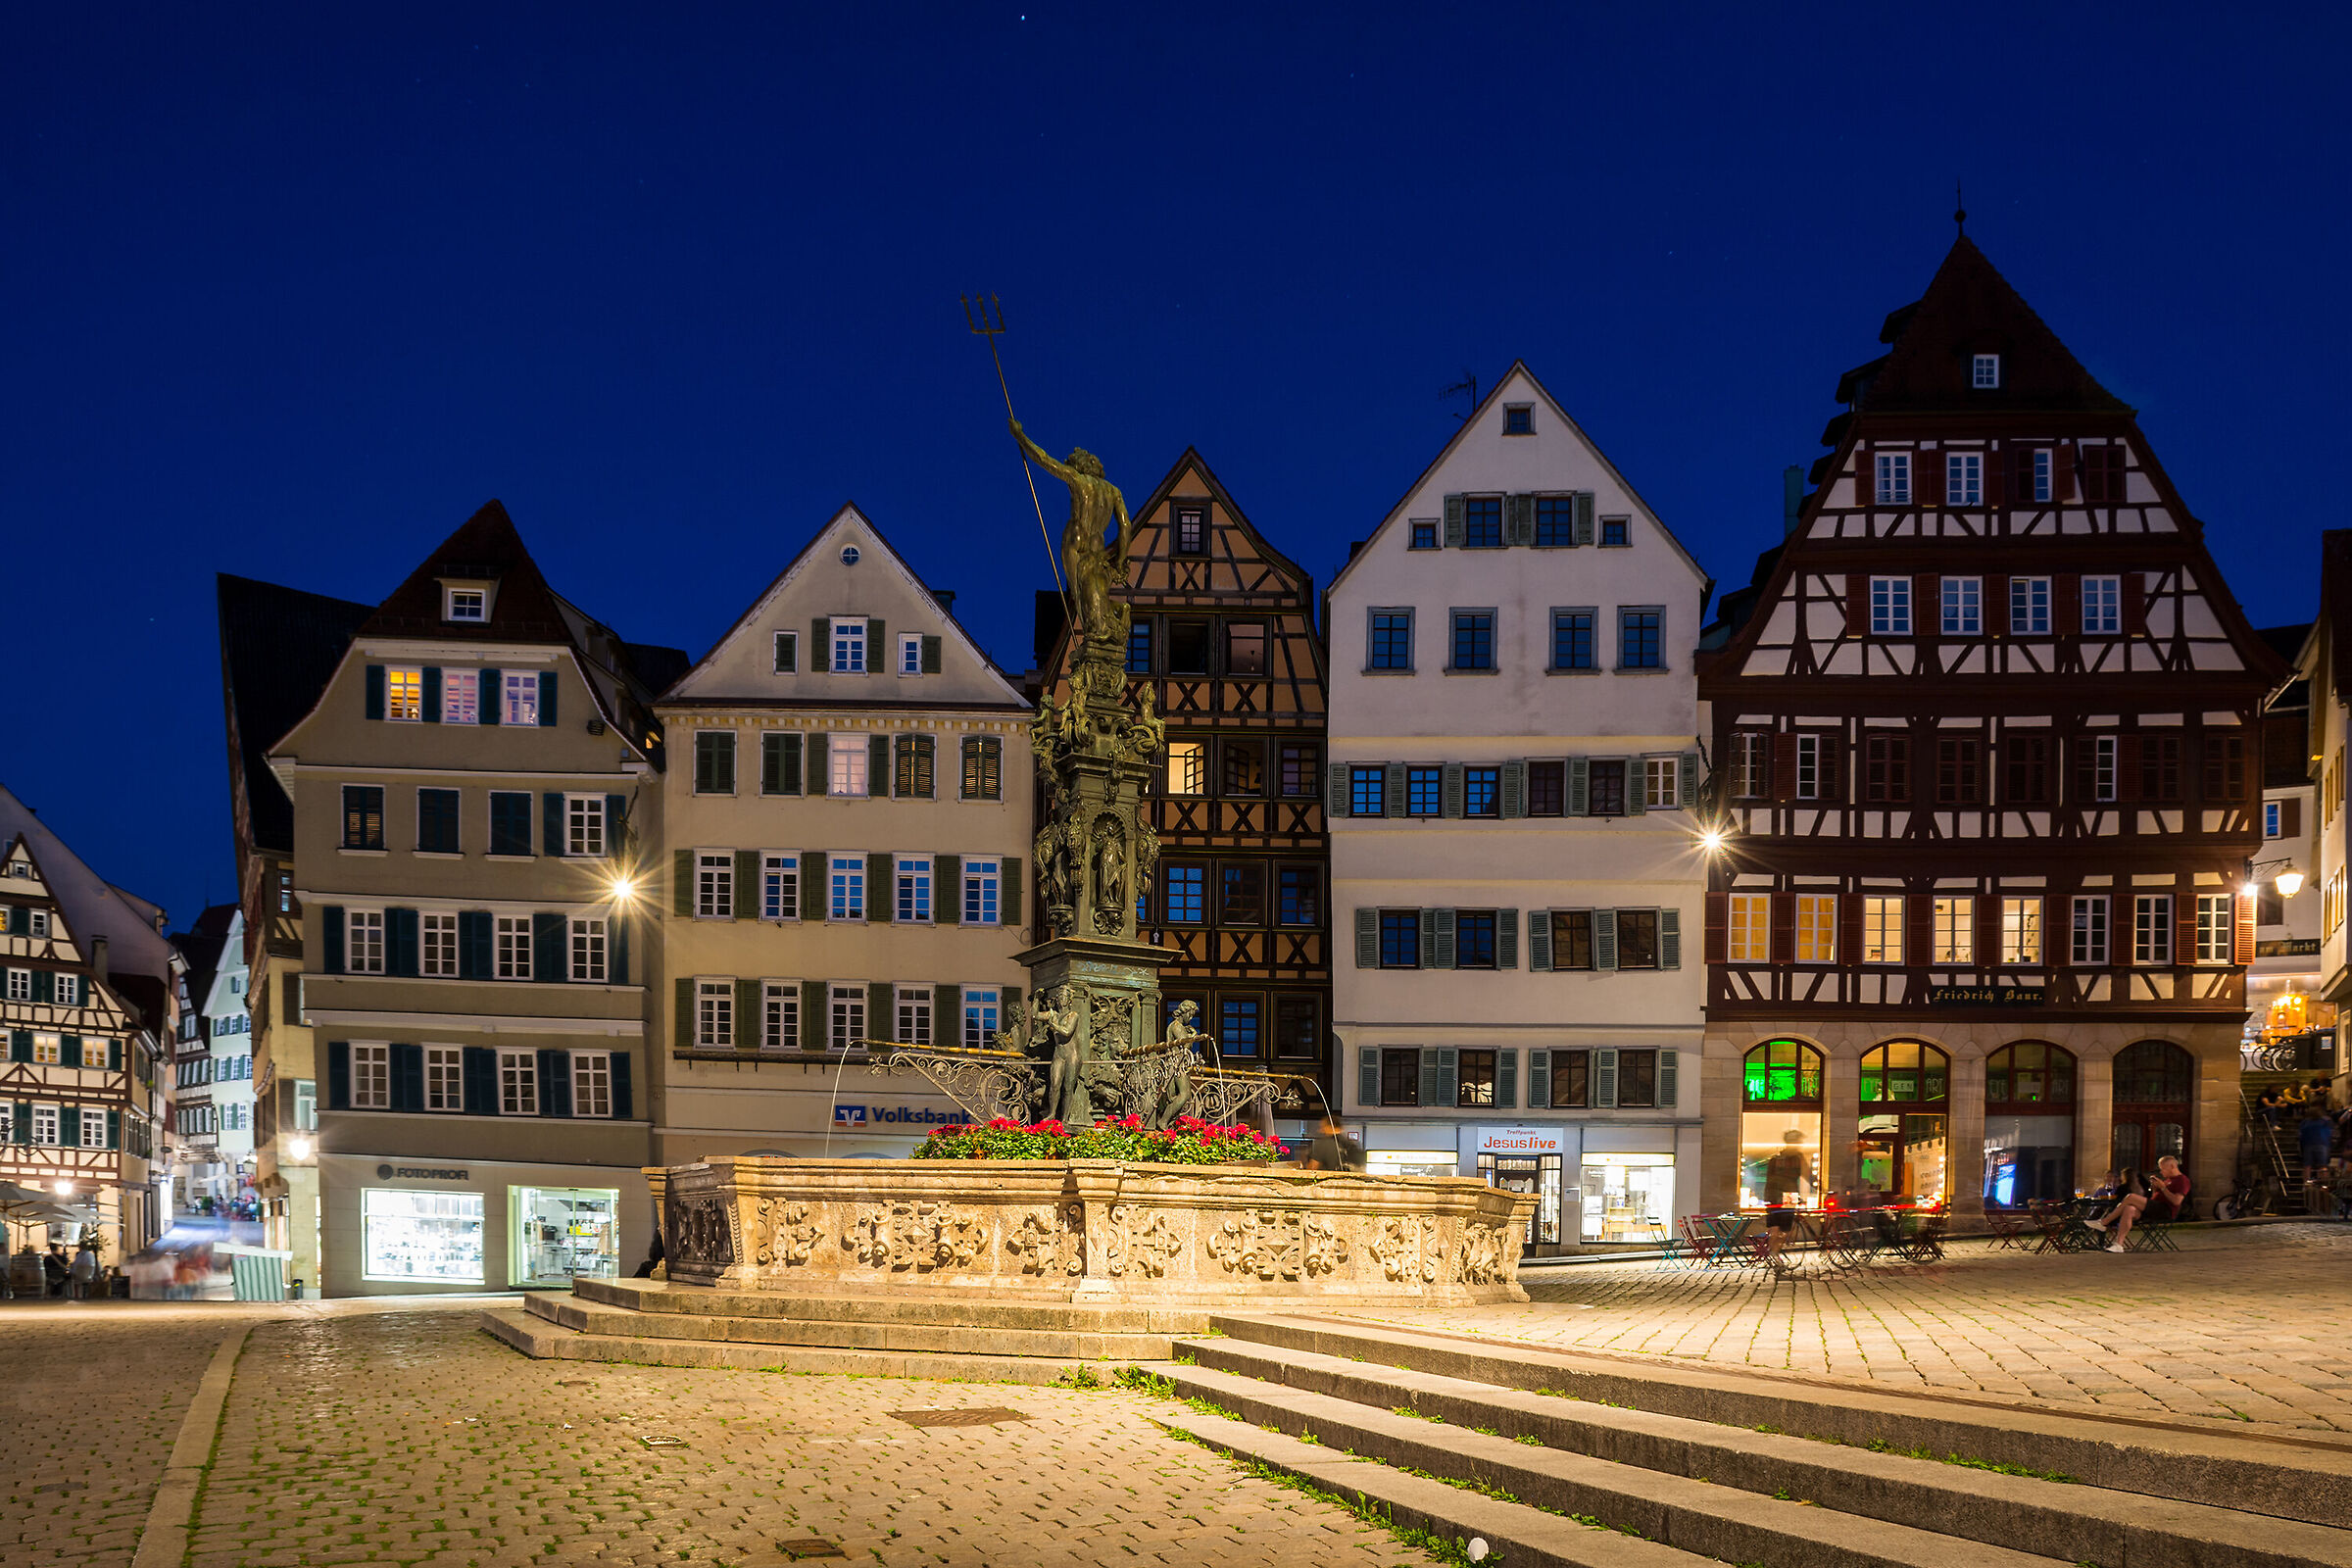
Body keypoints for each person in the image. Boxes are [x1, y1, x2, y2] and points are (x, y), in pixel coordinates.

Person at [2089, 1154, 2188, 1250]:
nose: (2161, 1172)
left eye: (2163, 1169)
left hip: (2165, 1211)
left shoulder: (2182, 1180)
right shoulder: (2167, 1180)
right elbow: (2156, 1197)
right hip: (2153, 1209)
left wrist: (2162, 1187)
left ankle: (2104, 1222)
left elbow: (2176, 1201)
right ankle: (2118, 1244)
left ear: (2172, 1166)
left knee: (2131, 1197)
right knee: (2129, 1209)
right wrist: (2155, 1188)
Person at [1762, 1131, 1812, 1268]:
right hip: (1789, 1195)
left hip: (1772, 1195)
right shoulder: (1798, 1158)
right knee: (1785, 1229)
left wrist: (1767, 1197)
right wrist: (1820, 1184)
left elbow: (1768, 1179)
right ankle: (1774, 1252)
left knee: (1774, 1228)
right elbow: (1806, 1175)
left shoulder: (1775, 1159)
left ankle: (1771, 1253)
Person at [1300, 1113, 1366, 1173]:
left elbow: (1313, 1168)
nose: (1321, 1130)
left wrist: (1304, 1165)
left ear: (1330, 1127)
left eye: (1323, 1127)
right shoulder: (1353, 1144)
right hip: (1351, 1182)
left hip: (1329, 1182)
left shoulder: (1322, 1144)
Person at [2300, 1103, 2336, 1186]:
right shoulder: (2325, 1121)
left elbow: (2301, 1134)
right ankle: (2324, 1184)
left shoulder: (2305, 1122)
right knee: (2323, 1165)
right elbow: (2330, 1133)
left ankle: (2306, 1183)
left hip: (2308, 1144)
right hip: (2322, 1144)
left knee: (2307, 1165)